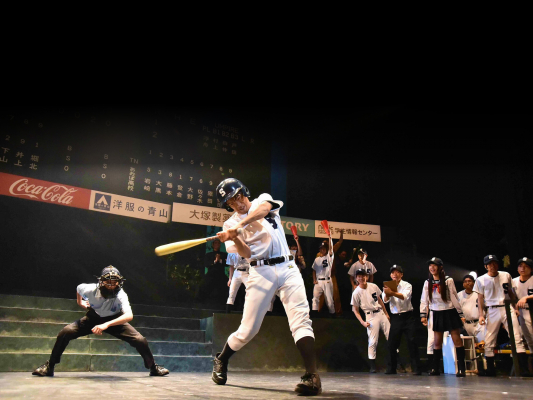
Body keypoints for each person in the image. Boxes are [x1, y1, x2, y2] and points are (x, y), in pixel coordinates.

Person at [211, 178, 321, 396]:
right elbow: (246, 253)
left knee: (301, 320)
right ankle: (221, 359)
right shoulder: (228, 225)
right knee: (248, 330)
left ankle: (312, 376)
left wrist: (240, 226)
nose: (237, 203)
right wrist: (236, 237)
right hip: (260, 272)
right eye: (231, 202)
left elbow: (263, 209)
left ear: (244, 192)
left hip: (288, 267)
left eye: (238, 197)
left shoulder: (262, 200)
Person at [32, 266, 169, 377]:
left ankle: (153, 368)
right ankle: (49, 367)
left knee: (140, 340)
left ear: (119, 282)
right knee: (65, 332)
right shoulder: (90, 289)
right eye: (108, 282)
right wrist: (80, 302)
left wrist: (106, 324)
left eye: (114, 282)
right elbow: (78, 288)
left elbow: (129, 315)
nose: (111, 285)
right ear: (101, 281)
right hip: (92, 318)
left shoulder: (121, 294)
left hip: (114, 320)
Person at [475, 255, 528, 376]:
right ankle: (490, 369)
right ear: (486, 266)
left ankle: (523, 369)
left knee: (516, 336)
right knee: (489, 339)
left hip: (506, 307)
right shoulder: (481, 279)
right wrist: (481, 315)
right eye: (490, 264)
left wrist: (515, 307)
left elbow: (511, 292)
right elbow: (480, 298)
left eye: (494, 263)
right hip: (492, 309)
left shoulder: (506, 275)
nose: (492, 266)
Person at [420, 257, 466, 377]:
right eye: (430, 265)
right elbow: (424, 300)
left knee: (456, 340)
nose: (432, 267)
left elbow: (454, 297)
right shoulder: (427, 282)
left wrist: (460, 314)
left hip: (449, 311)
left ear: (440, 267)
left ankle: (462, 368)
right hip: (436, 312)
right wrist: (423, 315)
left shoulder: (448, 280)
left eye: (434, 265)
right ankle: (435, 368)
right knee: (437, 342)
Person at [382, 265, 421, 375]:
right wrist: (388, 293)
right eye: (392, 273)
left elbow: (405, 297)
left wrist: (392, 293)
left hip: (408, 317)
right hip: (396, 317)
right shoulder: (388, 285)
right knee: (392, 343)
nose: (395, 274)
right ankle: (391, 368)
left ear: (401, 274)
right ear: (390, 275)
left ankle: (416, 368)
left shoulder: (407, 285)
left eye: (397, 272)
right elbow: (385, 300)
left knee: (412, 342)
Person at [351, 268, 390, 373]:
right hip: (370, 315)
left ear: (367, 277)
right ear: (356, 278)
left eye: (363, 275)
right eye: (359, 276)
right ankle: (372, 366)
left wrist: (386, 313)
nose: (361, 278)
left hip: (380, 312)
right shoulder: (356, 292)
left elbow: (380, 300)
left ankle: (397, 362)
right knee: (373, 341)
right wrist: (362, 322)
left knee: (390, 337)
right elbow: (355, 310)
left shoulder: (373, 286)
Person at [512, 257, 533, 375]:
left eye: (526, 266)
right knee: (529, 340)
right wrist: (515, 308)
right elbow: (511, 297)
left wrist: (526, 297)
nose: (523, 268)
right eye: (520, 266)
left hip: (531, 310)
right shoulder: (514, 281)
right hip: (522, 312)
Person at [457, 274, 485, 343]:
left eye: (469, 281)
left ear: (473, 283)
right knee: (470, 345)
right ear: (463, 284)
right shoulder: (459, 295)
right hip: (466, 324)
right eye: (465, 281)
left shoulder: (479, 294)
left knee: (482, 342)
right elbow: (457, 309)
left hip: (479, 323)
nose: (467, 283)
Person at [311, 236, 335, 317]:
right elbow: (314, 270)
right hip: (318, 281)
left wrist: (330, 238)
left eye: (324, 248)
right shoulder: (317, 259)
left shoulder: (329, 257)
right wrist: (314, 279)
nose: (322, 250)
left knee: (329, 300)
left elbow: (331, 249)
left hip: (327, 280)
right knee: (315, 298)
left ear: (326, 249)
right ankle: (314, 314)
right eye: (321, 248)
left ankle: (332, 314)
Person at [202, 238, 228, 305]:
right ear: (213, 245)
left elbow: (227, 264)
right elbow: (206, 264)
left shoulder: (224, 254)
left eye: (218, 243)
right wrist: (215, 261)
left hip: (221, 275)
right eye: (215, 243)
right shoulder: (208, 255)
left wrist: (220, 260)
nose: (217, 244)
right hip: (210, 274)